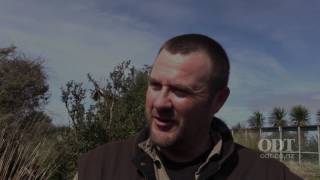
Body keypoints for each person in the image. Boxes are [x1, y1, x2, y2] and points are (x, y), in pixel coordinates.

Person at [76, 34, 302, 180]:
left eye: (180, 91)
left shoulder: (265, 174)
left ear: (218, 100)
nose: (160, 102)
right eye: (155, 85)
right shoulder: (98, 168)